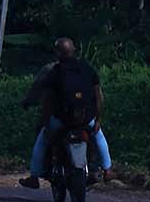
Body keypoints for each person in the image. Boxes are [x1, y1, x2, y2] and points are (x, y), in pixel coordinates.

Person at [18, 37, 112, 189]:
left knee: (42, 139)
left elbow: (46, 100)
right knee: (98, 135)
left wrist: (46, 123)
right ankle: (107, 170)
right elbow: (99, 96)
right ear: (74, 50)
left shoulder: (52, 71)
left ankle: (34, 176)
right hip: (85, 118)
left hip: (61, 120)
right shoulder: (87, 68)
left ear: (57, 53)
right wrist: (98, 120)